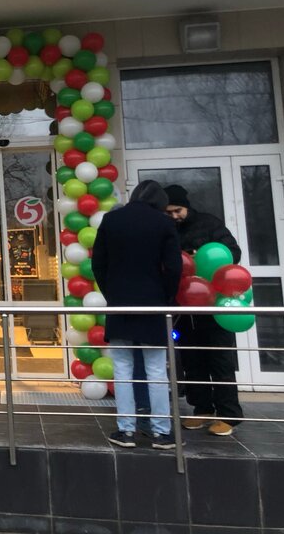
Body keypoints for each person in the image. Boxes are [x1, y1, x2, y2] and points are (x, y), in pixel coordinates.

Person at [92, 180, 183, 449]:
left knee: (122, 368)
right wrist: (166, 297)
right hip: (153, 304)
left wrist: (112, 293)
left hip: (120, 303)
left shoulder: (112, 220)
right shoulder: (163, 222)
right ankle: (161, 432)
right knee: (156, 370)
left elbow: (98, 264)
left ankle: (126, 430)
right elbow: (174, 267)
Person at [164, 184, 244, 437]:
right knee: (192, 361)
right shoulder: (167, 230)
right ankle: (202, 409)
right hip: (185, 307)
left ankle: (229, 414)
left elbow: (233, 252)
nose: (174, 216)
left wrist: (200, 256)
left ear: (186, 206)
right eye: (169, 212)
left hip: (214, 306)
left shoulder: (209, 224)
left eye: (177, 210)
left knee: (220, 361)